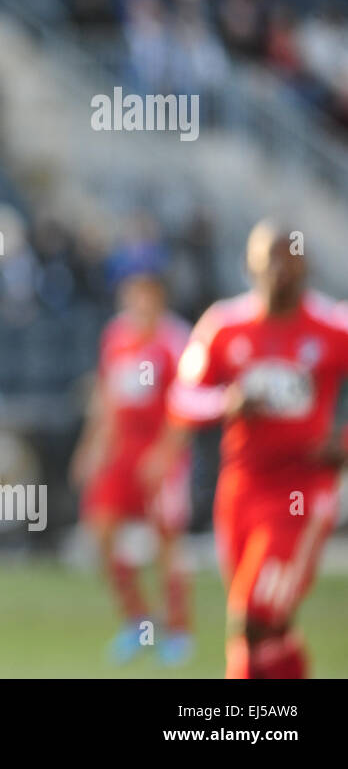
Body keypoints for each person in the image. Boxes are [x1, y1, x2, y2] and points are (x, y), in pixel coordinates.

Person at [161, 219, 348, 678]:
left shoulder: (332, 326)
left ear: (308, 267)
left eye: (292, 259)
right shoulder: (224, 325)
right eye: (272, 260)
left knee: (253, 617)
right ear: (251, 265)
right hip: (241, 486)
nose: (282, 270)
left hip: (301, 492)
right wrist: (228, 401)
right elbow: (182, 397)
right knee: (269, 626)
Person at [70, 254, 193, 665]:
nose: (138, 299)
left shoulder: (176, 340)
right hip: (120, 448)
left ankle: (178, 630)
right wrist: (92, 446)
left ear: (159, 295)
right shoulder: (117, 334)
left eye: (145, 291)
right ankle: (137, 621)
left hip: (159, 450)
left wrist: (166, 454)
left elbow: (186, 403)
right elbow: (108, 396)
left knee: (166, 542)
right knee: (101, 531)